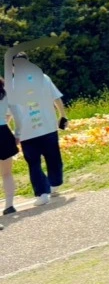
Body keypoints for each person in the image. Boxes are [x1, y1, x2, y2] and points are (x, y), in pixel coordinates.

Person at [6, 53, 68, 207]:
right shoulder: (42, 78)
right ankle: (50, 187)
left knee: (36, 162)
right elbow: (56, 98)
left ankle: (44, 192)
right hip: (43, 128)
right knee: (51, 158)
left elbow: (8, 112)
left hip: (29, 131)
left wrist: (7, 129)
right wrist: (63, 115)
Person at [0, 77, 18, 214]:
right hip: (4, 133)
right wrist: (17, 134)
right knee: (7, 173)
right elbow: (14, 114)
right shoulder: (6, 93)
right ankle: (9, 205)